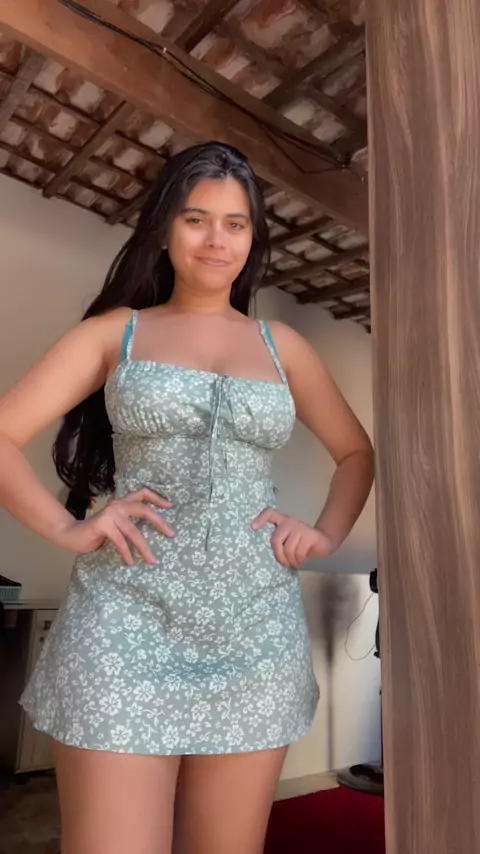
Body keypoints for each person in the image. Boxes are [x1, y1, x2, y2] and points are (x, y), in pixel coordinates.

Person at [0, 141, 373, 854]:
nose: (216, 239)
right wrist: (68, 528)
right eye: (196, 218)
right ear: (165, 228)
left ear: (253, 238)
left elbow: (358, 454)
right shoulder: (116, 333)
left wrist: (324, 534)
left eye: (236, 223)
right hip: (124, 620)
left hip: (254, 629)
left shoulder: (282, 346)